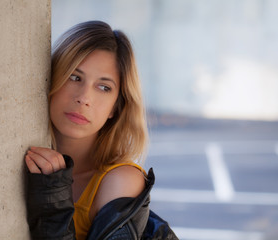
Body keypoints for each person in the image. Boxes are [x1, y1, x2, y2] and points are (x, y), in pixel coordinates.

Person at [25, 20, 178, 240]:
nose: (84, 98)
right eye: (74, 77)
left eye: (104, 87)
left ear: (115, 107)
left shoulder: (122, 181)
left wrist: (53, 205)